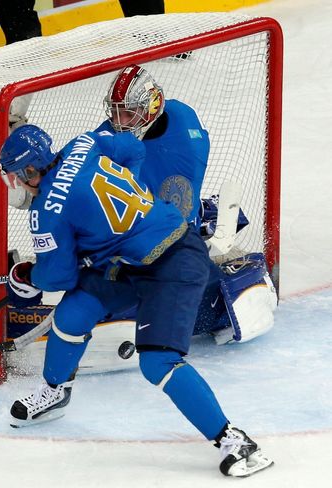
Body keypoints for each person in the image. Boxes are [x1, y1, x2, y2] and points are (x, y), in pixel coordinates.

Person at [0, 123, 273, 477]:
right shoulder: (84, 142)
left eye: (16, 177)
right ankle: (54, 393)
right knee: (73, 314)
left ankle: (234, 441)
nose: (16, 185)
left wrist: (25, 277)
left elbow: (58, 276)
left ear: (31, 170)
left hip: (173, 260)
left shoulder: (46, 213)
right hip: (128, 260)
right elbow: (133, 149)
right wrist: (127, 213)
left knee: (158, 363)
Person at [97, 64, 277, 344]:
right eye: (116, 110)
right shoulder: (126, 131)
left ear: (151, 106)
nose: (119, 120)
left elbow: (178, 204)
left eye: (128, 112)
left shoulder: (182, 136)